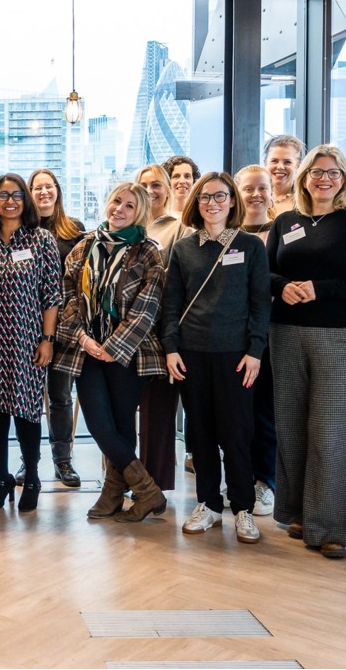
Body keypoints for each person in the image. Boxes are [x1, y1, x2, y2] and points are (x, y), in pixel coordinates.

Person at [266, 144, 346, 559]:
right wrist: (281, 285)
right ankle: (301, 511)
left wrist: (321, 289)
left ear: (345, 179)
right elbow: (265, 271)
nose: (325, 178)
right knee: (292, 425)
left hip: (340, 335)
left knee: (331, 432)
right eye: (317, 171)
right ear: (303, 177)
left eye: (333, 172)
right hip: (285, 332)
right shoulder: (286, 221)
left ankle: (334, 525)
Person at [162, 173, 270, 544]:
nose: (213, 203)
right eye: (206, 197)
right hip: (191, 352)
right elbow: (172, 302)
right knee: (200, 434)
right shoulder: (184, 248)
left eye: (220, 196)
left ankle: (242, 509)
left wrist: (256, 351)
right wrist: (171, 347)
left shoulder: (250, 246)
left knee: (237, 433)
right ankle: (208, 503)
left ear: (232, 201)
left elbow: (260, 304)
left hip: (236, 356)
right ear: (196, 202)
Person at [54, 183, 169, 525]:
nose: (119, 209)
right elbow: (68, 296)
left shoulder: (149, 251)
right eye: (116, 201)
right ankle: (147, 490)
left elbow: (148, 308)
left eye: (130, 206)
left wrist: (113, 346)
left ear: (141, 213)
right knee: (98, 424)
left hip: (130, 351)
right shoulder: (84, 246)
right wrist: (84, 339)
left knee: (120, 424)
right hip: (86, 349)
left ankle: (113, 492)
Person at [0, 175, 61, 513]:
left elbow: (52, 295)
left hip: (27, 341)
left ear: (26, 200)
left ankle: (33, 477)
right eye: (3, 195)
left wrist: (47, 340)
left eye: (17, 194)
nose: (10, 201)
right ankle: (2, 478)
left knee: (26, 411)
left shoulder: (42, 241)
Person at [30, 168, 86, 487]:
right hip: (27, 327)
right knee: (29, 399)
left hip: (64, 327)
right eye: (37, 188)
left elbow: (83, 280)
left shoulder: (74, 230)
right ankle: (29, 462)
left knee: (61, 396)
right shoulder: (22, 231)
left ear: (57, 191)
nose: (43, 193)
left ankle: (63, 461)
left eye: (48, 187)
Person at [134, 162, 186, 489]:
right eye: (144, 185)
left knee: (159, 412)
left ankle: (157, 483)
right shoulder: (129, 224)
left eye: (156, 185)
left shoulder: (179, 226)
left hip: (162, 328)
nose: (151, 191)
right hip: (130, 332)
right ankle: (128, 478)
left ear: (167, 189)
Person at [235, 164, 278, 517]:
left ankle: (266, 481)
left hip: (274, 335)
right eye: (248, 188)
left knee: (267, 411)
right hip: (234, 337)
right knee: (240, 413)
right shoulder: (226, 232)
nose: (256, 194)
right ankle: (241, 476)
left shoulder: (283, 229)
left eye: (262, 188)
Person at [264, 134, 305, 216]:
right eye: (274, 161)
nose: (280, 167)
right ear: (265, 162)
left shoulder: (306, 200)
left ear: (298, 165)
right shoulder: (254, 197)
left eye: (287, 162)